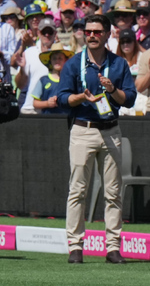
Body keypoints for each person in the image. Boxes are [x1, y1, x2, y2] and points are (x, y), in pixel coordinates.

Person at [58, 13, 137, 264]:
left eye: (97, 32)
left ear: (107, 34)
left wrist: (112, 90)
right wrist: (81, 97)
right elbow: (62, 99)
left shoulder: (119, 64)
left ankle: (113, 247)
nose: (91, 35)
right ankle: (75, 246)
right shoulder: (74, 64)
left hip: (111, 129)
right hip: (83, 129)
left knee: (113, 192)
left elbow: (130, 99)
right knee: (77, 190)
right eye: (88, 31)